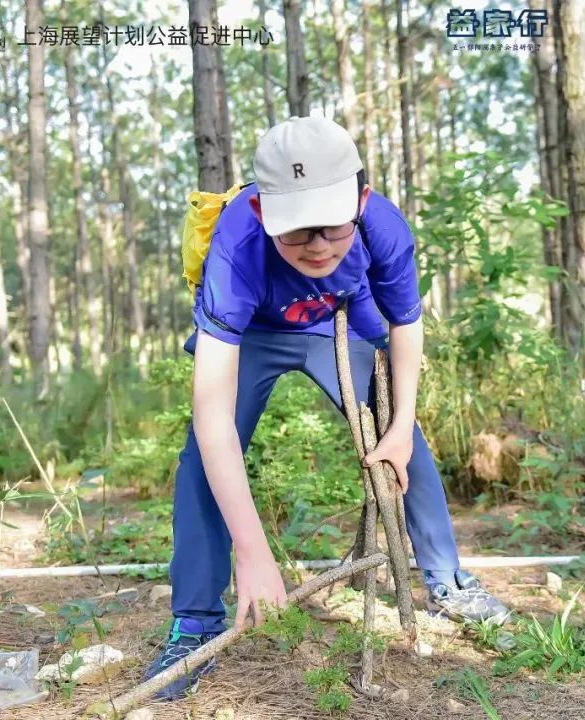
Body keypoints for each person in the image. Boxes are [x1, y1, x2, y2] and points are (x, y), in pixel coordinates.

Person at [145, 113, 511, 700]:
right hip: (256, 331)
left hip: (341, 313)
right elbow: (213, 415)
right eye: (298, 231)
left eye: (333, 228)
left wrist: (397, 428)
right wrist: (255, 553)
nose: (318, 246)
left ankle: (447, 582)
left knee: (403, 439)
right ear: (265, 213)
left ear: (360, 201)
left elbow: (405, 327)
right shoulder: (236, 247)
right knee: (200, 461)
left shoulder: (382, 228)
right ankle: (195, 621)